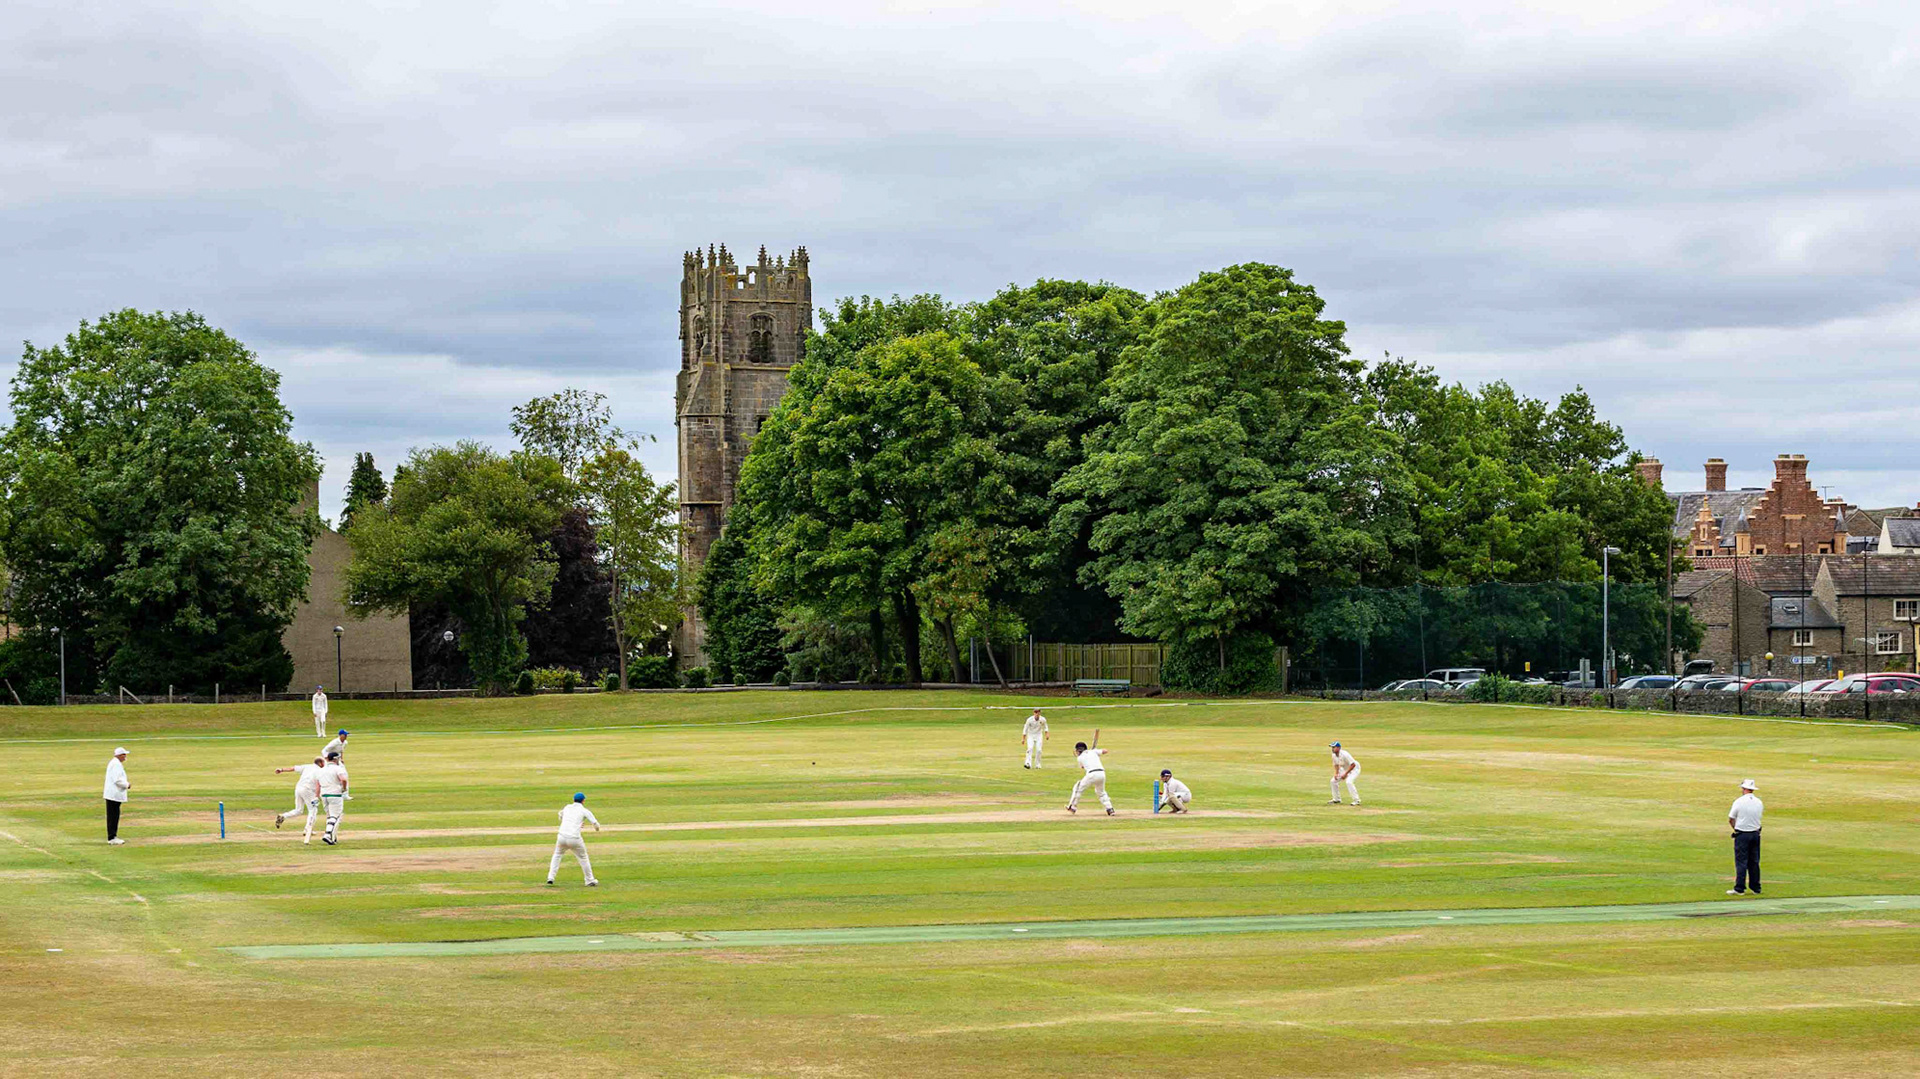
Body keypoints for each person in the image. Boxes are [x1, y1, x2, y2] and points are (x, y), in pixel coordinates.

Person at [547, 792, 601, 886]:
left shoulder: (567, 807)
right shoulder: (584, 810)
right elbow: (595, 824)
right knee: (583, 858)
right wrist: (597, 830)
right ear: (583, 801)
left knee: (557, 855)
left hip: (562, 836)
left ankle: (550, 877)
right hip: (574, 838)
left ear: (573, 800)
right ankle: (589, 880)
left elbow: (560, 814)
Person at [274, 757, 326, 843]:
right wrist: (317, 796)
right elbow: (318, 785)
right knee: (313, 809)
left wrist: (281, 769)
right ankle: (308, 829)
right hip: (308, 790)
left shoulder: (307, 766)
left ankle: (283, 816)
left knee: (298, 810)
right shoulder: (320, 771)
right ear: (320, 763)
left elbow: (293, 768)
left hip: (298, 788)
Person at [1728, 778, 1763, 896]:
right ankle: (1756, 887)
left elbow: (1731, 818)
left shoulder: (1739, 801)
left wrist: (1735, 828)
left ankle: (1739, 888)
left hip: (1742, 834)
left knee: (1741, 861)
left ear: (1744, 789)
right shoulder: (1759, 802)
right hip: (1755, 833)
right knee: (1754, 861)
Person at [1066, 741, 1113, 815]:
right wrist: (1096, 752)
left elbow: (1082, 767)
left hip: (1092, 774)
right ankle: (1110, 809)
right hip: (1102, 774)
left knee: (1078, 788)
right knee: (1101, 792)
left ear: (1079, 750)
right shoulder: (1094, 752)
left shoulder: (1080, 758)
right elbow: (1105, 751)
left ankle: (1072, 807)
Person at [316, 750, 349, 846]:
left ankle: (332, 838)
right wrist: (344, 788)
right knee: (335, 816)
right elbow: (343, 779)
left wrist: (316, 796)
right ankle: (327, 834)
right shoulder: (337, 769)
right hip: (335, 794)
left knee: (330, 817)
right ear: (335, 759)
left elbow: (317, 784)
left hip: (324, 795)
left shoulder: (321, 770)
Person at [103, 747, 131, 844]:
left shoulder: (115, 763)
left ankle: (113, 836)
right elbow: (117, 780)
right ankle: (112, 837)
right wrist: (127, 785)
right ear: (119, 755)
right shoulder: (116, 765)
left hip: (113, 794)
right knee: (113, 816)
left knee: (114, 815)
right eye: (124, 755)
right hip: (113, 794)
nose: (125, 757)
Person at [322, 730, 352, 799]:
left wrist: (341, 759)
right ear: (340, 735)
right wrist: (327, 759)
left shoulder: (345, 742)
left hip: (337, 760)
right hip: (329, 760)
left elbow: (341, 751)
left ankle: (345, 794)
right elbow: (324, 750)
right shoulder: (334, 742)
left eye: (346, 735)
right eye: (345, 735)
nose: (346, 736)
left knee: (345, 775)